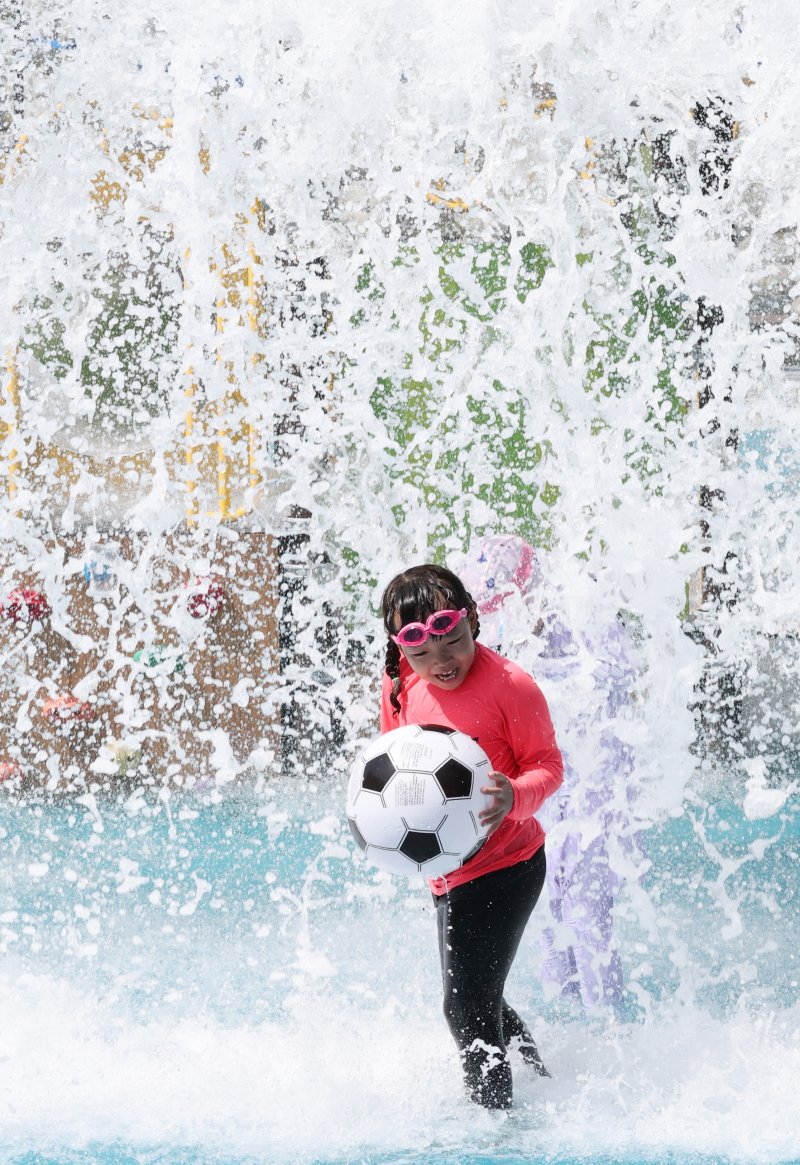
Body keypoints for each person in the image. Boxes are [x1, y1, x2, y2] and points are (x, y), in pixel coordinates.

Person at [379, 563, 564, 1110]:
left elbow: (548, 765)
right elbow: (394, 767)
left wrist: (514, 796)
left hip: (508, 867)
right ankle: (537, 1075)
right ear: (401, 647)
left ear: (472, 622)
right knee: (480, 995)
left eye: (452, 641)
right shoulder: (399, 687)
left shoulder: (510, 685)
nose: (441, 661)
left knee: (464, 1005)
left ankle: (495, 1123)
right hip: (448, 873)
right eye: (421, 651)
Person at [454, 535, 642, 1016]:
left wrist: (546, 683)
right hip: (546, 779)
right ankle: (569, 1018)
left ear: (529, 589)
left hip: (599, 780)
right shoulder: (504, 637)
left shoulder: (583, 607)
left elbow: (621, 675)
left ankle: (610, 1021)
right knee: (548, 897)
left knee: (586, 901)